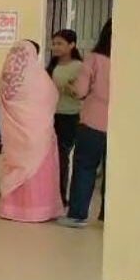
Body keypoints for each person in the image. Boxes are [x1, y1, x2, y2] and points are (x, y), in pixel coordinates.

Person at [0, 40, 63, 222]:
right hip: (38, 134)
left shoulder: (6, 80)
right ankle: (38, 210)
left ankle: (12, 209)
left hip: (14, 136)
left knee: (17, 167)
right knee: (38, 171)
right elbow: (52, 96)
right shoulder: (39, 78)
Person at [60, 19, 112, 228]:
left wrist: (70, 87)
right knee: (114, 172)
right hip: (121, 126)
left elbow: (80, 91)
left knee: (85, 167)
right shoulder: (133, 60)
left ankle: (78, 215)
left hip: (92, 123)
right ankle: (109, 215)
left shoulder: (94, 59)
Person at [46, 29, 84, 205]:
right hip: (50, 115)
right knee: (49, 157)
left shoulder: (79, 67)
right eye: (54, 43)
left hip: (69, 116)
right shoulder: (52, 66)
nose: (55, 47)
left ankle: (60, 197)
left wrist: (71, 89)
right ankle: (48, 195)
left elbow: (81, 93)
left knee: (61, 156)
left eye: (60, 43)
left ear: (72, 45)